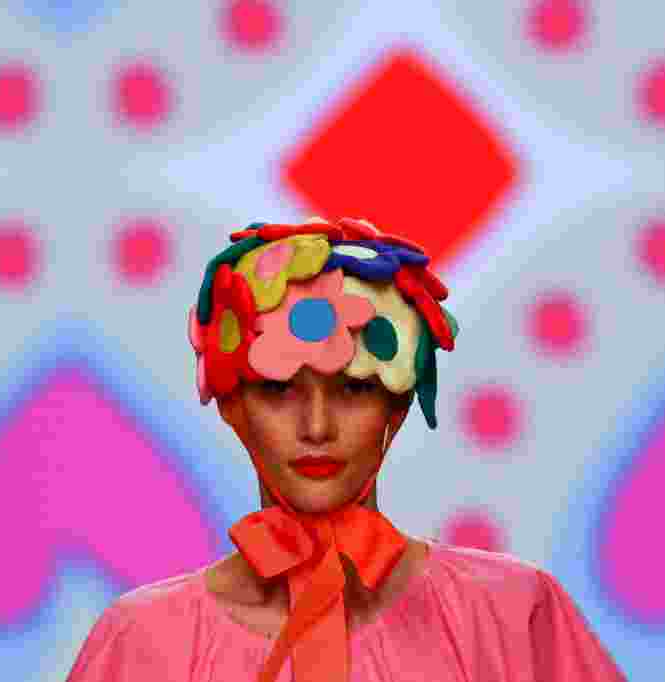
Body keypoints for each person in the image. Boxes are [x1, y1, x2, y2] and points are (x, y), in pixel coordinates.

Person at [66, 217, 627, 681]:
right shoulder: (140, 644)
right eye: (278, 389)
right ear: (233, 408)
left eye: (354, 388)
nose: (316, 426)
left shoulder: (512, 615)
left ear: (397, 408)